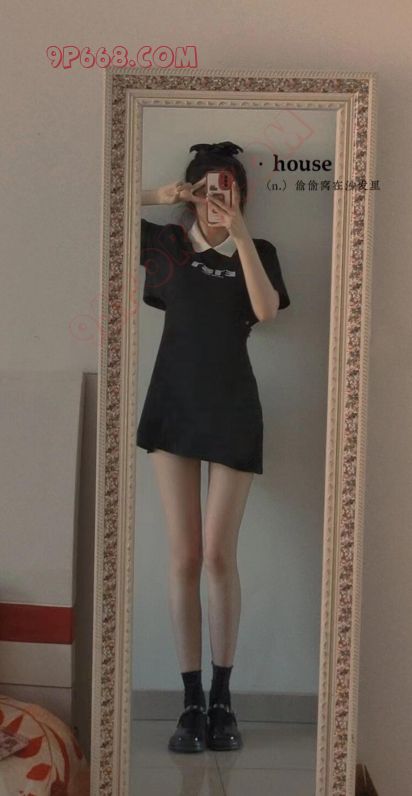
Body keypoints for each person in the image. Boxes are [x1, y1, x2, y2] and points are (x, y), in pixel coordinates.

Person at [137, 141, 291, 753]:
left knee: (218, 557)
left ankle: (223, 700)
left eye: (227, 187)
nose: (216, 198)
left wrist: (243, 234)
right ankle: (189, 701)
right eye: (206, 187)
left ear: (242, 195)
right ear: (193, 192)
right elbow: (98, 204)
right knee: (183, 557)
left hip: (232, 412)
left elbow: (266, 312)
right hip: (172, 407)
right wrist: (162, 195)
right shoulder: (168, 247)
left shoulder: (260, 252)